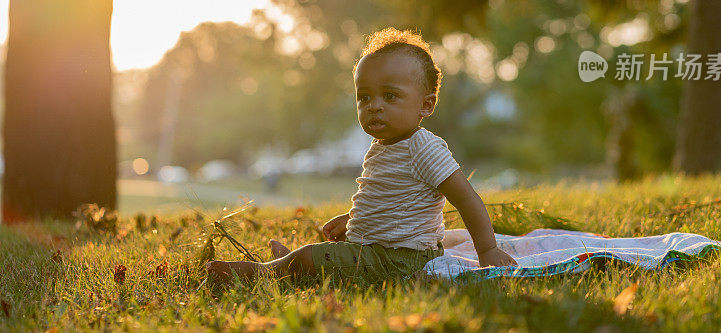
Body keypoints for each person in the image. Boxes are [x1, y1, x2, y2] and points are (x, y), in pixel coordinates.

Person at [206, 27, 516, 284]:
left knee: (309, 256)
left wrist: (487, 250)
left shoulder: (423, 148)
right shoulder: (382, 147)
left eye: (390, 96)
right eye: (364, 97)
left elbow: (467, 199)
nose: (374, 105)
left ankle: (267, 272)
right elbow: (385, 200)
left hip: (401, 259)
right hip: (380, 249)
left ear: (426, 105)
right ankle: (292, 266)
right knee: (326, 254)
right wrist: (353, 221)